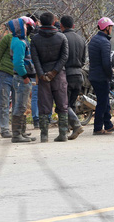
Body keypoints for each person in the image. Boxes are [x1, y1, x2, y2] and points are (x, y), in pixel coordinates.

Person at [30, 11, 69, 142]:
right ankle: (63, 134)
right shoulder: (61, 37)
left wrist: (41, 74)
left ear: (40, 22)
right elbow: (64, 57)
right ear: (53, 22)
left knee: (44, 106)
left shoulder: (35, 39)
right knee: (62, 104)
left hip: (43, 76)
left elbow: (35, 59)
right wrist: (55, 71)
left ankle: (44, 135)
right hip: (59, 75)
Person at [88, 17, 114, 135]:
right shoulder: (104, 42)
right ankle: (97, 128)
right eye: (111, 27)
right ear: (107, 28)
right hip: (101, 76)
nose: (112, 29)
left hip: (94, 75)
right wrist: (110, 74)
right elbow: (106, 63)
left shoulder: (94, 40)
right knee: (102, 102)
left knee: (105, 100)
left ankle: (108, 125)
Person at [7, 17, 37, 143]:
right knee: (20, 106)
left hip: (21, 78)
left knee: (22, 106)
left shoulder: (20, 40)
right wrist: (25, 77)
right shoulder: (19, 43)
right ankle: (17, 135)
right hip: (21, 78)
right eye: (24, 26)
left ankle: (22, 132)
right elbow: (18, 63)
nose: (26, 28)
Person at [60, 15, 87, 140]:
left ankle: (75, 126)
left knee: (64, 104)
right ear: (74, 26)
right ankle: (67, 130)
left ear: (61, 26)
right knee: (71, 103)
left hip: (66, 74)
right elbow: (83, 60)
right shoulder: (81, 39)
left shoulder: (62, 38)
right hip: (79, 75)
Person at [0, 22, 17, 138]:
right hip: (6, 74)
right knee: (4, 103)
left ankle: (17, 129)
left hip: (16, 75)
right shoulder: (8, 38)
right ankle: (5, 129)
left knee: (15, 104)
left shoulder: (26, 40)